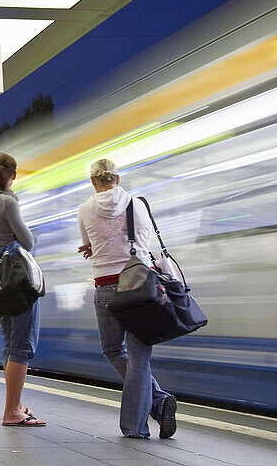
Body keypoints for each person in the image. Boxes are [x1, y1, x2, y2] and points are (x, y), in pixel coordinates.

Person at [78, 159, 177, 439]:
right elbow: (143, 244)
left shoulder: (85, 208)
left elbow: (89, 243)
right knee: (139, 359)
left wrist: (96, 249)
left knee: (112, 350)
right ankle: (146, 415)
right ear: (117, 179)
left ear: (93, 182)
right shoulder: (138, 204)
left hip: (106, 288)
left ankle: (154, 408)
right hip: (140, 288)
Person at [0, 152, 45, 426]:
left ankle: (17, 404)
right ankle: (11, 411)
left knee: (10, 342)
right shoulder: (6, 201)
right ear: (13, 176)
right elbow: (27, 241)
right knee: (21, 345)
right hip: (15, 281)